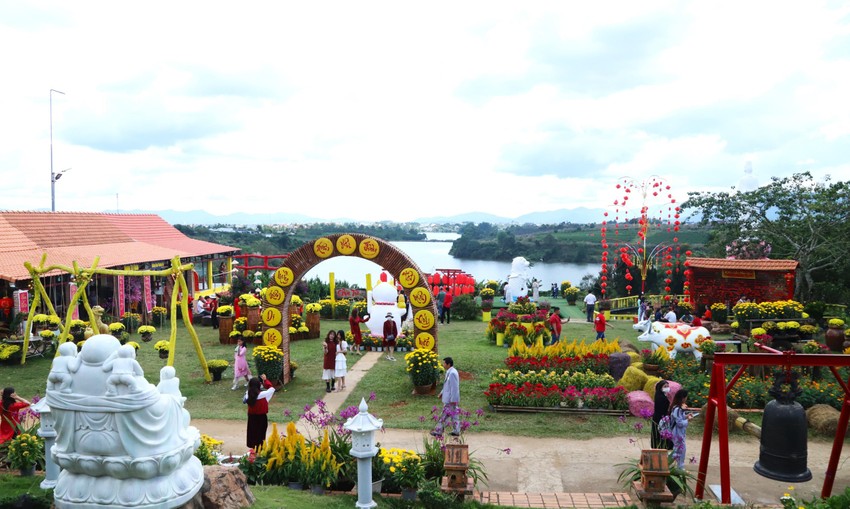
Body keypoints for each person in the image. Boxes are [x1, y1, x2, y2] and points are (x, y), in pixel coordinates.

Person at [245, 374, 275, 450]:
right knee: (261, 434)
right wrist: (265, 380)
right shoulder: (263, 395)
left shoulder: (247, 395)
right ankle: (260, 449)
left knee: (252, 433)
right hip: (261, 417)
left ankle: (253, 449)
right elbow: (272, 389)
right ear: (259, 385)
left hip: (251, 417)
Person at [433, 357, 460, 437]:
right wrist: (441, 393)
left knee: (444, 415)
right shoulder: (450, 372)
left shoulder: (452, 373)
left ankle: (439, 430)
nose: (443, 365)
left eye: (444, 363)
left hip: (450, 400)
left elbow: (454, 387)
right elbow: (447, 385)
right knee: (454, 415)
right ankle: (456, 430)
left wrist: (453, 399)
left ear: (448, 364)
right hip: (450, 399)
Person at [670, 389, 695, 469]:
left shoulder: (676, 408)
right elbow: (680, 423)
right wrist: (688, 420)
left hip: (678, 432)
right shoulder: (677, 409)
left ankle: (672, 464)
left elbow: (679, 418)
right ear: (683, 398)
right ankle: (680, 467)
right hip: (677, 432)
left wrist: (686, 416)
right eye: (686, 397)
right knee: (681, 449)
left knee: (677, 449)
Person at [651, 380, 673, 450]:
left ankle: (658, 446)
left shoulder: (660, 395)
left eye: (668, 386)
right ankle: (661, 446)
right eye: (665, 386)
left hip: (660, 417)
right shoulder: (661, 397)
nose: (667, 388)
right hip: (660, 418)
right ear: (660, 388)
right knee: (661, 432)